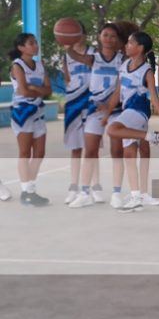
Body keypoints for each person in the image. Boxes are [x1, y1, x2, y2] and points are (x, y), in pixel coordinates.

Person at [105, 31, 159, 212]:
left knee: (113, 129)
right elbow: (118, 92)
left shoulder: (147, 71)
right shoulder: (125, 65)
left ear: (140, 48)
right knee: (129, 155)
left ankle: (153, 137)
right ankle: (137, 196)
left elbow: (155, 99)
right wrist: (107, 112)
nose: (126, 45)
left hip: (139, 110)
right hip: (129, 111)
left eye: (130, 43)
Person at [8, 33, 52, 206]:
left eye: (35, 42)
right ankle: (26, 190)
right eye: (31, 43)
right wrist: (36, 89)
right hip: (22, 112)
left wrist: (33, 87)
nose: (35, 45)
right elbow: (23, 92)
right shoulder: (17, 66)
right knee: (25, 153)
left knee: (40, 152)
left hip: (38, 111)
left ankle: (30, 190)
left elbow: (47, 90)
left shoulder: (40, 64)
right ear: (21, 48)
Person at [62, 21, 100, 205]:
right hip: (74, 103)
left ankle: (96, 186)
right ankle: (73, 187)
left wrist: (70, 50)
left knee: (92, 148)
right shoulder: (66, 56)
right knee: (76, 148)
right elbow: (67, 77)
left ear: (84, 35)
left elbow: (89, 63)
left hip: (92, 102)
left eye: (78, 33)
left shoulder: (94, 53)